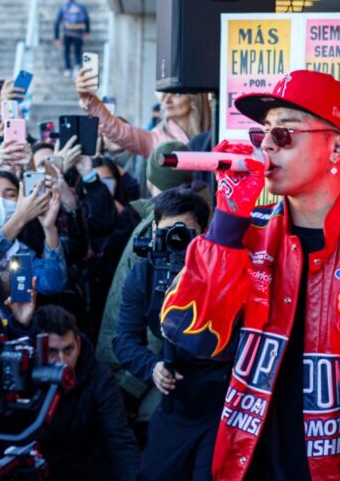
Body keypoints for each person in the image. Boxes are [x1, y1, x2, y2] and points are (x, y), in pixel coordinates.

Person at [160, 69, 340, 480]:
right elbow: (194, 336)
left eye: (286, 134)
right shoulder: (246, 233)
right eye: (263, 135)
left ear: (339, 148)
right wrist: (225, 222)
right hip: (246, 464)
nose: (266, 149)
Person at [113, 188, 227, 480]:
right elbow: (124, 339)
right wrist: (153, 367)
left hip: (222, 400)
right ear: (153, 231)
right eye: (167, 233)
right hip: (176, 399)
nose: (176, 242)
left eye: (184, 234)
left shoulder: (224, 272)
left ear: (203, 233)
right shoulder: (144, 273)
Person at [34, 305, 140, 480]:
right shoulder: (23, 377)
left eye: (68, 350)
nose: (62, 361)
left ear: (79, 344)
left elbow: (120, 440)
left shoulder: (99, 378)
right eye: (51, 352)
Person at [77, 70, 211, 160]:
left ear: (194, 101)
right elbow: (118, 131)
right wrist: (89, 99)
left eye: (176, 94)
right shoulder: (156, 139)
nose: (166, 99)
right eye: (166, 93)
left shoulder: (215, 134)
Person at [53, 0, 90, 76]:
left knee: (67, 51)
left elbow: (57, 22)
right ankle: (77, 67)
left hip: (67, 33)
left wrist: (57, 37)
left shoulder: (64, 7)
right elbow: (87, 19)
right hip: (78, 33)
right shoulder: (81, 7)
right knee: (78, 51)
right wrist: (87, 31)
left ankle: (68, 68)